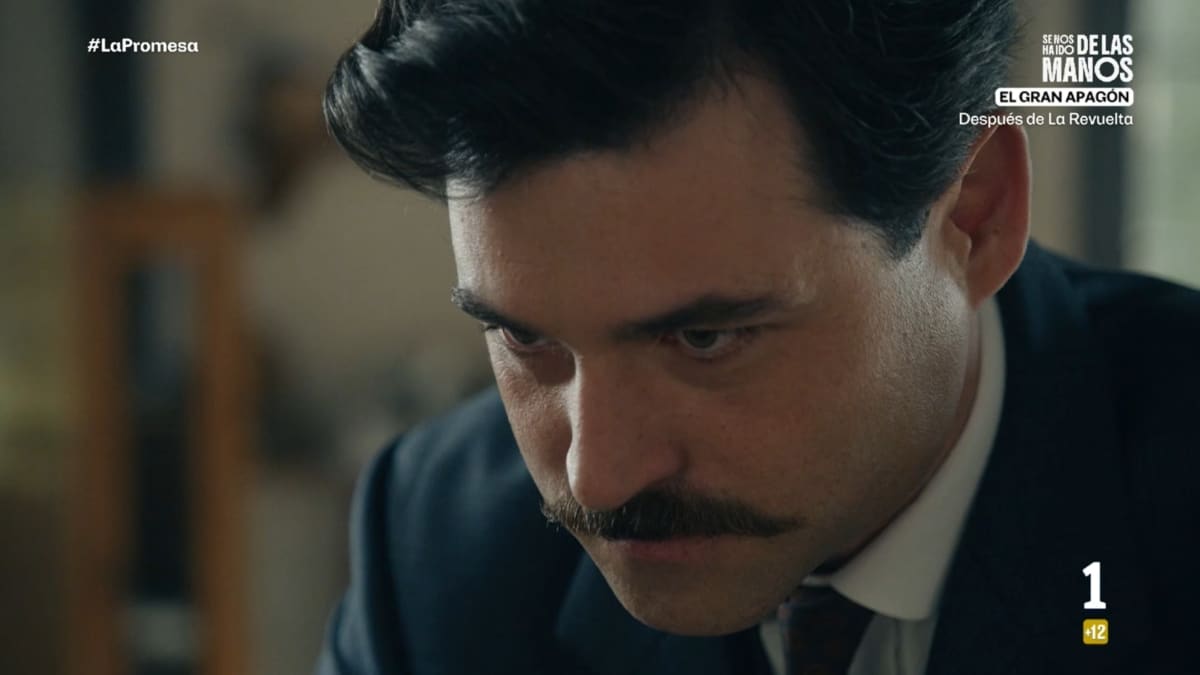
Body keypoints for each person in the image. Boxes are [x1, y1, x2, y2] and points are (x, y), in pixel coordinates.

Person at [316, 1, 1197, 673]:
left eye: (704, 337)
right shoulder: (438, 549)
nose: (597, 475)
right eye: (522, 335)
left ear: (974, 215)